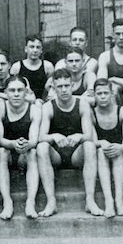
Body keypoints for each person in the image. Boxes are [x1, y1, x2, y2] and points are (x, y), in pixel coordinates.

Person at [36, 68, 101, 217]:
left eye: (66, 86)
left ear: (72, 85)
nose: (64, 90)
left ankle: (90, 200)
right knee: (42, 147)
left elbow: (89, 135)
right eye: (59, 86)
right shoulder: (48, 107)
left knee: (90, 146)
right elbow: (41, 137)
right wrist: (54, 136)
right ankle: (51, 201)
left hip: (76, 155)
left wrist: (79, 136)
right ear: (53, 87)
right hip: (57, 155)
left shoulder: (82, 104)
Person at [0, 75, 42, 219]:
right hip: (8, 153)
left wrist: (27, 144)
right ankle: (7, 202)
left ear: (26, 92)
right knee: (2, 151)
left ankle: (30, 202)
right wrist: (12, 143)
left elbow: (34, 139)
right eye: (12, 90)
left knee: (33, 152)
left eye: (20, 90)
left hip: (25, 154)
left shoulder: (34, 110)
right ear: (6, 93)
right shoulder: (0, 108)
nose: (16, 94)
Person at [92, 78, 123, 217]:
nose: (103, 96)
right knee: (101, 151)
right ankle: (109, 201)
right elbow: (91, 139)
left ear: (112, 93)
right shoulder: (92, 113)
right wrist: (101, 142)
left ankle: (119, 201)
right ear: (94, 95)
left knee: (116, 153)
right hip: (101, 153)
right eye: (99, 93)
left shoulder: (122, 111)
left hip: (121, 154)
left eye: (106, 93)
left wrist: (121, 147)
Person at [10, 34, 55, 103]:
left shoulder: (48, 66)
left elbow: (51, 88)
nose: (35, 50)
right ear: (26, 49)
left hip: (43, 103)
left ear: (41, 50)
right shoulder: (17, 67)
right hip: (23, 103)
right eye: (32, 47)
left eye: (38, 47)